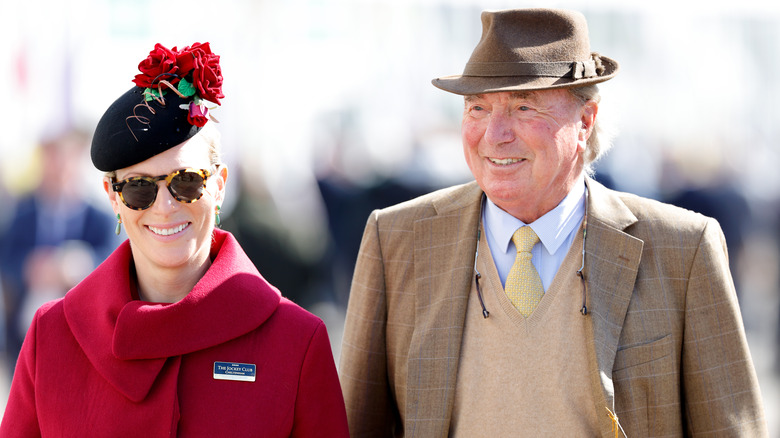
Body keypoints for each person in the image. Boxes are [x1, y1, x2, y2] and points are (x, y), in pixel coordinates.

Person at [338, 8, 767, 437]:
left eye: (523, 106)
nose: (494, 134)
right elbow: (356, 427)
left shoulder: (684, 249)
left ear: (585, 122)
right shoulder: (395, 240)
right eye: (477, 108)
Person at [1, 42, 349, 437]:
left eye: (186, 182)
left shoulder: (297, 343)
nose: (164, 206)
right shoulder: (52, 337)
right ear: (113, 198)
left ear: (218, 185)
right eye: (138, 189)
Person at [0, 128, 118, 377]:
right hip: (25, 334)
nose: (60, 166)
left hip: (81, 334)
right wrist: (28, 267)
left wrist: (80, 265)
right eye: (53, 157)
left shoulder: (101, 219)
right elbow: (6, 258)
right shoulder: (20, 213)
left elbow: (115, 261)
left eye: (66, 158)